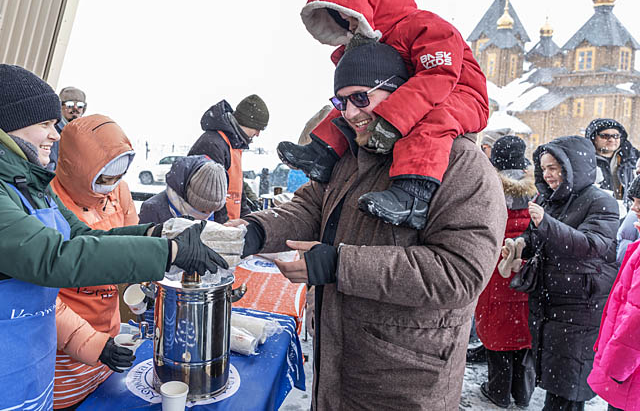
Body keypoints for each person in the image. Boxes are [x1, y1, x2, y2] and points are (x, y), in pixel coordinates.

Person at [0, 64, 226, 410]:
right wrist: (169, 252)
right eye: (45, 124)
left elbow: (84, 235)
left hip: (6, 359)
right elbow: (53, 257)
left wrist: (156, 233)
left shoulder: (26, 182)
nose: (56, 134)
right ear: (12, 126)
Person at [230, 41, 506, 410]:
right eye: (340, 102)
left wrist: (339, 264)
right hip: (341, 366)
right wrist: (252, 232)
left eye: (361, 98)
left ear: (399, 91)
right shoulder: (353, 155)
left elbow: (460, 273)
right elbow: (309, 208)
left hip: (405, 379)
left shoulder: (461, 164)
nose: (350, 113)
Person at [276, 0, 489, 231]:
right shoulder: (377, 42)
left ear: (372, 2)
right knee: (352, 107)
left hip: (459, 94)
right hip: (416, 94)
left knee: (432, 123)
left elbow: (437, 75)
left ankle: (412, 194)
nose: (350, 25)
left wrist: (391, 121)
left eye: (351, 15)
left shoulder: (426, 26)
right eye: (343, 20)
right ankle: (321, 153)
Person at [519, 135, 620, 411]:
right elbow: (538, 237)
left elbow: (591, 245)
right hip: (553, 306)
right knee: (557, 386)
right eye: (544, 168)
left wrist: (545, 222)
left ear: (573, 166)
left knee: (568, 391)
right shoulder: (551, 199)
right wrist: (519, 246)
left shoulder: (602, 202)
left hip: (580, 311)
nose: (547, 175)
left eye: (554, 167)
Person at [48, 114, 140, 410]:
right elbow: (43, 298)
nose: (111, 186)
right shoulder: (48, 205)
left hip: (107, 341)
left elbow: (132, 248)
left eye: (118, 178)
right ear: (77, 171)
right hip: (63, 350)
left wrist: (145, 283)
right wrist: (93, 345)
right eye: (103, 179)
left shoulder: (118, 193)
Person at [475, 136, 536, 409]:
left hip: (495, 271)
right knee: (521, 333)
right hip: (526, 273)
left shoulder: (487, 186)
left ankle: (498, 390)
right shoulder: (537, 192)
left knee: (496, 332)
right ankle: (522, 393)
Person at [587, 176, 640, 411]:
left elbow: (635, 320)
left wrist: (615, 367)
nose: (634, 209)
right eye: (634, 201)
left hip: (629, 373)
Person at [188, 95, 268, 222]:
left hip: (230, 226)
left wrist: (247, 219)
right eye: (257, 128)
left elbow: (237, 189)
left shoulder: (234, 145)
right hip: (212, 228)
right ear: (247, 122)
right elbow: (209, 193)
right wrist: (223, 226)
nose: (258, 134)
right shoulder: (213, 144)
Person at [138, 155, 228, 224]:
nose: (208, 214)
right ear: (190, 197)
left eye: (213, 210)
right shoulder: (153, 210)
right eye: (203, 210)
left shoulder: (217, 210)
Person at [585, 118, 639, 204]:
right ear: (593, 138)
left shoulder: (632, 159)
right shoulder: (584, 160)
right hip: (599, 212)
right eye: (605, 136)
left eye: (616, 136)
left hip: (630, 211)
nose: (612, 140)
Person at [48, 86, 87, 170]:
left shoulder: (84, 134)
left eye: (80, 105)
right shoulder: (52, 130)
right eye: (70, 104)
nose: (75, 108)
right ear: (60, 106)